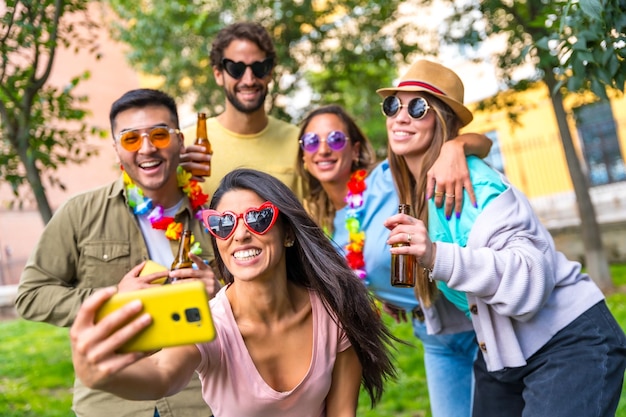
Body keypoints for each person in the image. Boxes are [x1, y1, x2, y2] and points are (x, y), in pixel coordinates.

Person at [380, 59, 626, 416]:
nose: (401, 117)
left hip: (572, 341)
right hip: (504, 352)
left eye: (418, 108)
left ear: (443, 119)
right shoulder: (418, 194)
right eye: (393, 105)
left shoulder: (475, 184)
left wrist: (436, 255)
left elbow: (530, 277)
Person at [69, 168, 397, 417]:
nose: (239, 234)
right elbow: (162, 374)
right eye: (223, 224)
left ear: (288, 235)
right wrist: (101, 375)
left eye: (258, 219)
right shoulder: (209, 323)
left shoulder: (334, 312)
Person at [16, 89, 220, 417]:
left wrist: (222, 291)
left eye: (159, 134)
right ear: (116, 149)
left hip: (201, 397)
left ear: (180, 141)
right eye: (130, 139)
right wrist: (114, 300)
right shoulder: (79, 212)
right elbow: (31, 295)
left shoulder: (215, 214)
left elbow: (261, 299)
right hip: (112, 400)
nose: (147, 148)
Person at [296, 104, 491, 417]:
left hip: (476, 317)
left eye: (334, 139)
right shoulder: (324, 229)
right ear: (303, 156)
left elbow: (484, 143)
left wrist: (456, 146)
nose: (323, 150)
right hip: (432, 331)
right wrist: (388, 290)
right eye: (311, 142)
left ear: (355, 149)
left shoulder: (388, 177)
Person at [181, 22, 301, 198]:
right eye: (236, 69)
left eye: (259, 68)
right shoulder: (188, 147)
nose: (249, 80)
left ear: (270, 72)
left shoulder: (298, 143)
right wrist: (173, 173)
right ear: (218, 74)